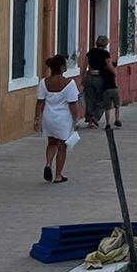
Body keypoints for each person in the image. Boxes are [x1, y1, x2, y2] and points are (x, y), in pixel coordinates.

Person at [35, 53, 80, 181]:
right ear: (61, 67)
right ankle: (58, 175)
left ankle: (48, 164)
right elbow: (73, 104)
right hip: (63, 119)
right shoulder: (69, 83)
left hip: (48, 117)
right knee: (62, 146)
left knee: (51, 143)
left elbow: (40, 102)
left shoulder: (44, 82)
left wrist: (36, 119)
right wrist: (75, 119)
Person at [85, 38, 120, 129]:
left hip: (90, 76)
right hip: (100, 77)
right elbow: (109, 65)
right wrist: (114, 73)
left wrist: (83, 78)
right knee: (101, 99)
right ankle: (96, 117)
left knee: (89, 98)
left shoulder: (90, 52)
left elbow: (84, 65)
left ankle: (90, 118)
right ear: (105, 44)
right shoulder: (105, 54)